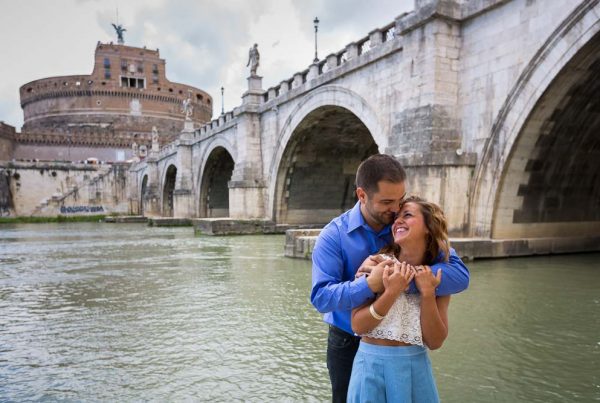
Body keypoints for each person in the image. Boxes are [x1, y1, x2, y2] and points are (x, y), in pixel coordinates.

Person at [310, 154, 469, 402]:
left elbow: (459, 275)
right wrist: (368, 285)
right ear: (362, 196)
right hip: (348, 340)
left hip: (407, 347)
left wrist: (406, 280)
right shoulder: (333, 236)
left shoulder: (405, 226)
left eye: (400, 200)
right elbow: (321, 298)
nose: (395, 210)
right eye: (387, 202)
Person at [347, 196, 451, 402]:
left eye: (408, 215)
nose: (398, 221)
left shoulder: (437, 275)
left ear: (428, 228)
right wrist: (391, 293)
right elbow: (357, 325)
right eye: (396, 217)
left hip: (415, 372)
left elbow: (435, 341)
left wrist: (428, 294)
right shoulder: (375, 263)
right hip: (371, 369)